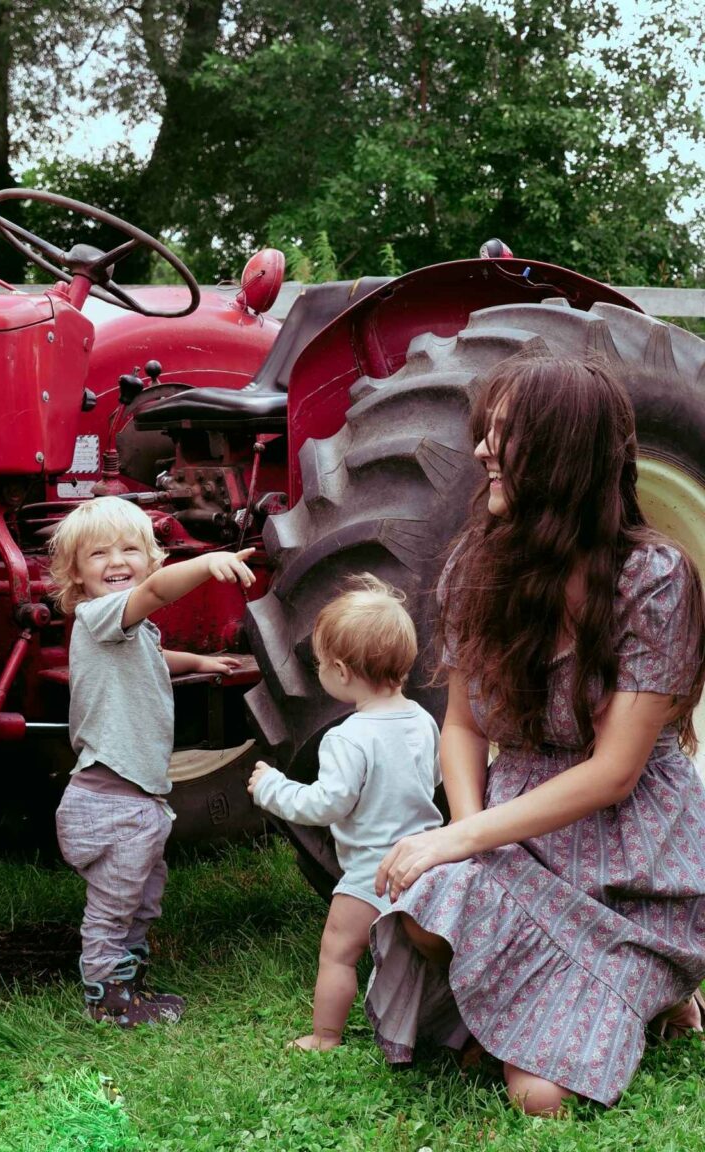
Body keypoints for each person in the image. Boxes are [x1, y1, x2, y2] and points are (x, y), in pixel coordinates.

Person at [365, 356, 705, 1115]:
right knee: (425, 904)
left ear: (566, 453)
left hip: (631, 865)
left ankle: (649, 985)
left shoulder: (653, 579)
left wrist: (464, 844)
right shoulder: (478, 565)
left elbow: (616, 772)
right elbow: (459, 723)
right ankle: (569, 1000)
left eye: (506, 433)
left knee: (540, 1100)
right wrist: (468, 837)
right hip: (515, 834)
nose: (484, 447)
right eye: (486, 428)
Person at [49, 495, 255, 1027]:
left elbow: (155, 656)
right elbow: (157, 592)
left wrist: (198, 661)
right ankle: (104, 997)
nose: (116, 561)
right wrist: (207, 564)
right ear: (75, 573)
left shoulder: (131, 631)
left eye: (129, 549)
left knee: (142, 898)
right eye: (98, 554)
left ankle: (129, 984)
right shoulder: (98, 615)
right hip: (107, 802)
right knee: (113, 908)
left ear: (150, 554)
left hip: (136, 800)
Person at [248, 574, 443, 1051]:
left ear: (339, 670)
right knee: (429, 955)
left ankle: (325, 1036)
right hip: (425, 863)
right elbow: (433, 782)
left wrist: (272, 788)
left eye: (319, 664)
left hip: (369, 875)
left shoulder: (347, 737)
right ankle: (436, 1026)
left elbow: (326, 804)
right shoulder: (423, 720)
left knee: (338, 952)